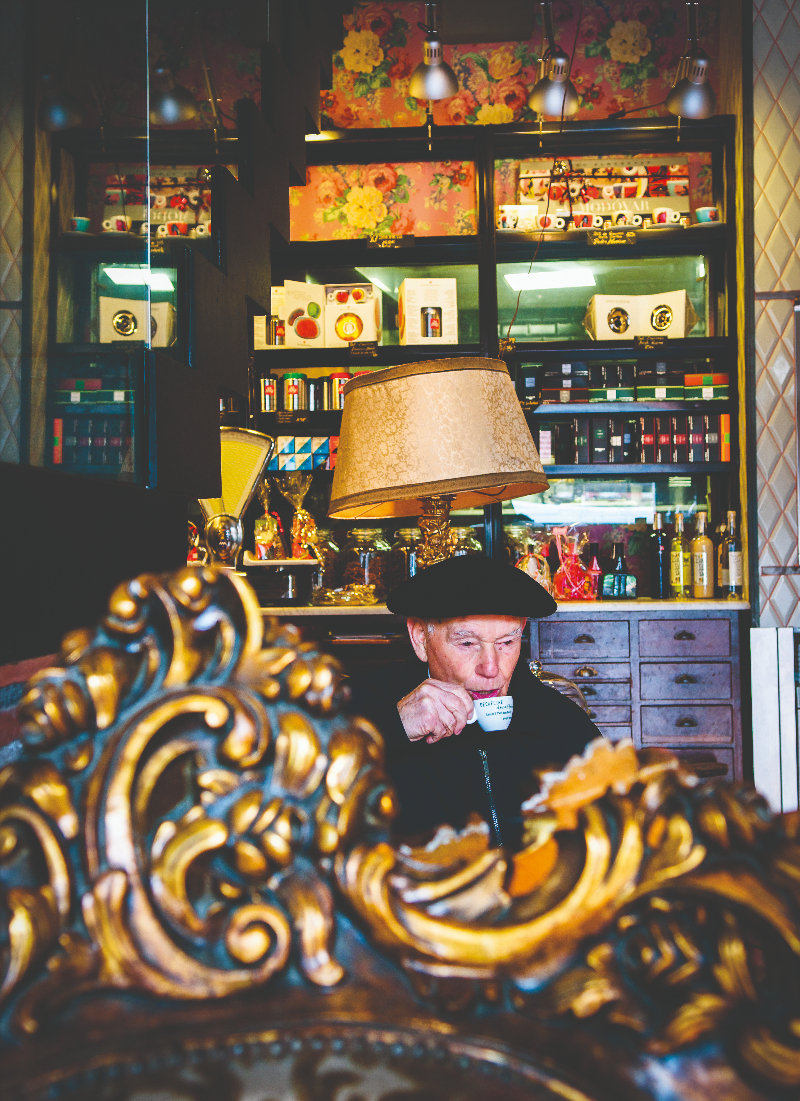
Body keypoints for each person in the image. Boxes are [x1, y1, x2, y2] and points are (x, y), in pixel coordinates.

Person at [349, 553, 600, 849]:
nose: (491, 669)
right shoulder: (361, 709)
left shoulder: (561, 722)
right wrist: (394, 727)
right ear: (420, 637)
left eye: (506, 643)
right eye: (467, 643)